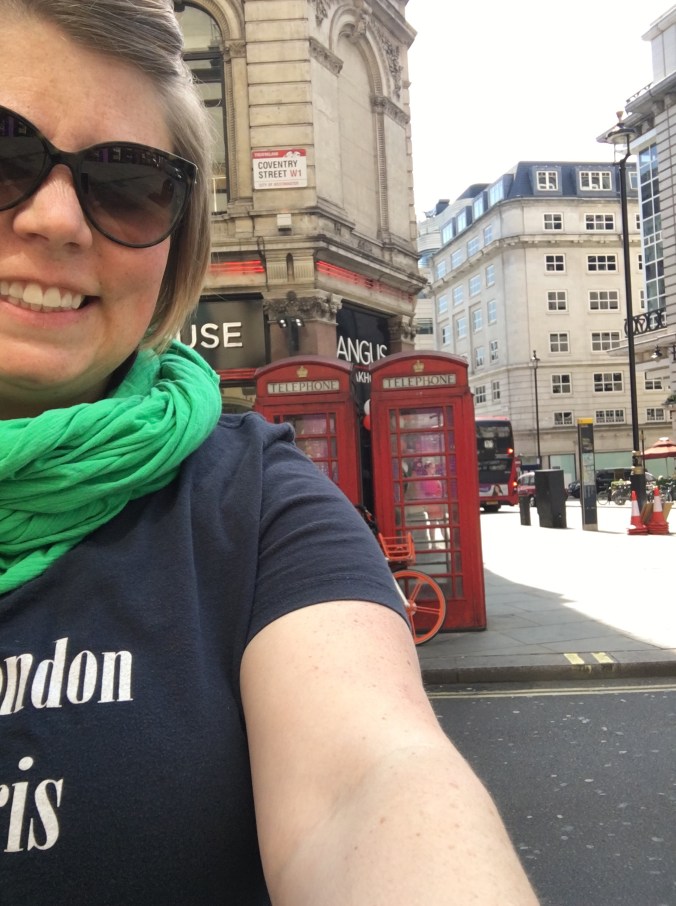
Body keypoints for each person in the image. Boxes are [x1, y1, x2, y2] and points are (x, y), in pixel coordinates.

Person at [0, 1, 540, 903]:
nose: (57, 219)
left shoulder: (256, 506)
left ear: (178, 240)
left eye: (127, 182)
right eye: (3, 154)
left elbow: (367, 780)